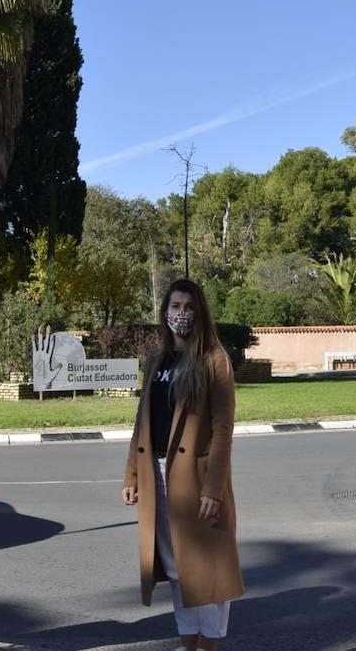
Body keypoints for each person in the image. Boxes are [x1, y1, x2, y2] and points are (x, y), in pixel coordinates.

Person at [122, 279, 244, 651]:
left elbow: (223, 429)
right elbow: (142, 421)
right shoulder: (156, 360)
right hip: (157, 477)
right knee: (176, 569)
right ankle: (187, 643)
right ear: (164, 312)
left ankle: (209, 646)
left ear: (200, 312)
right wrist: (131, 474)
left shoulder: (214, 359)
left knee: (207, 572)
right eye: (175, 307)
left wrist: (214, 488)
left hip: (197, 480)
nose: (181, 315)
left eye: (189, 307)